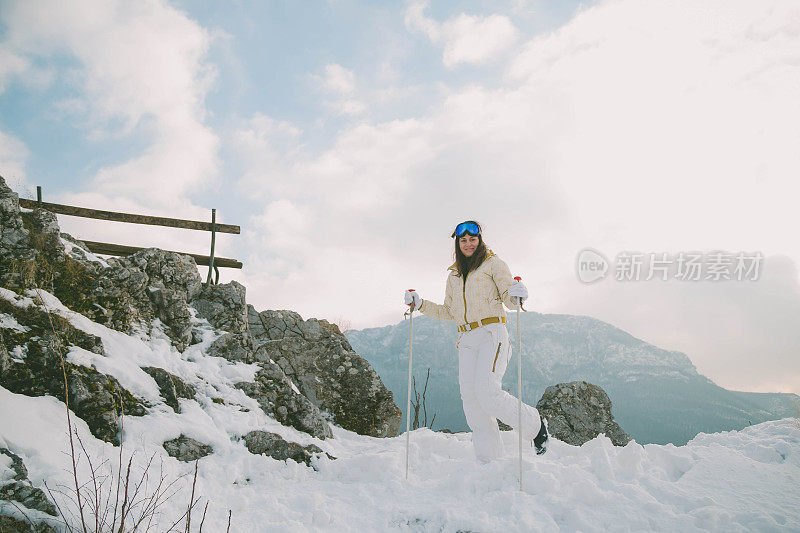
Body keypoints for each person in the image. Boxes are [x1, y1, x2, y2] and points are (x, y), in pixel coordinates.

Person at [404, 220, 549, 463]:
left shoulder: (493, 264)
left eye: (473, 239)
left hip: (492, 332)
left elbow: (509, 298)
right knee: (471, 400)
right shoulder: (454, 275)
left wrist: (519, 295)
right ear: (457, 243)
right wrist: (419, 304)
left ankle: (535, 426)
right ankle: (489, 462)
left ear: (480, 240)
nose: (468, 244)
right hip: (466, 339)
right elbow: (449, 311)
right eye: (463, 240)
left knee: (488, 392)